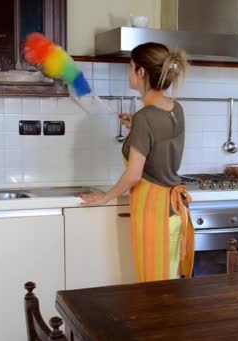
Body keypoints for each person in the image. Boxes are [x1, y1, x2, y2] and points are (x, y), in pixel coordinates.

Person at [80, 42, 193, 282]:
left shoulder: (145, 118)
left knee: (152, 290)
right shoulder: (176, 109)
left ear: (141, 72)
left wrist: (105, 196)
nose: (129, 73)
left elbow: (134, 175)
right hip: (174, 211)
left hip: (154, 211)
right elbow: (160, 140)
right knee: (167, 284)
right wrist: (135, 128)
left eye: (130, 67)